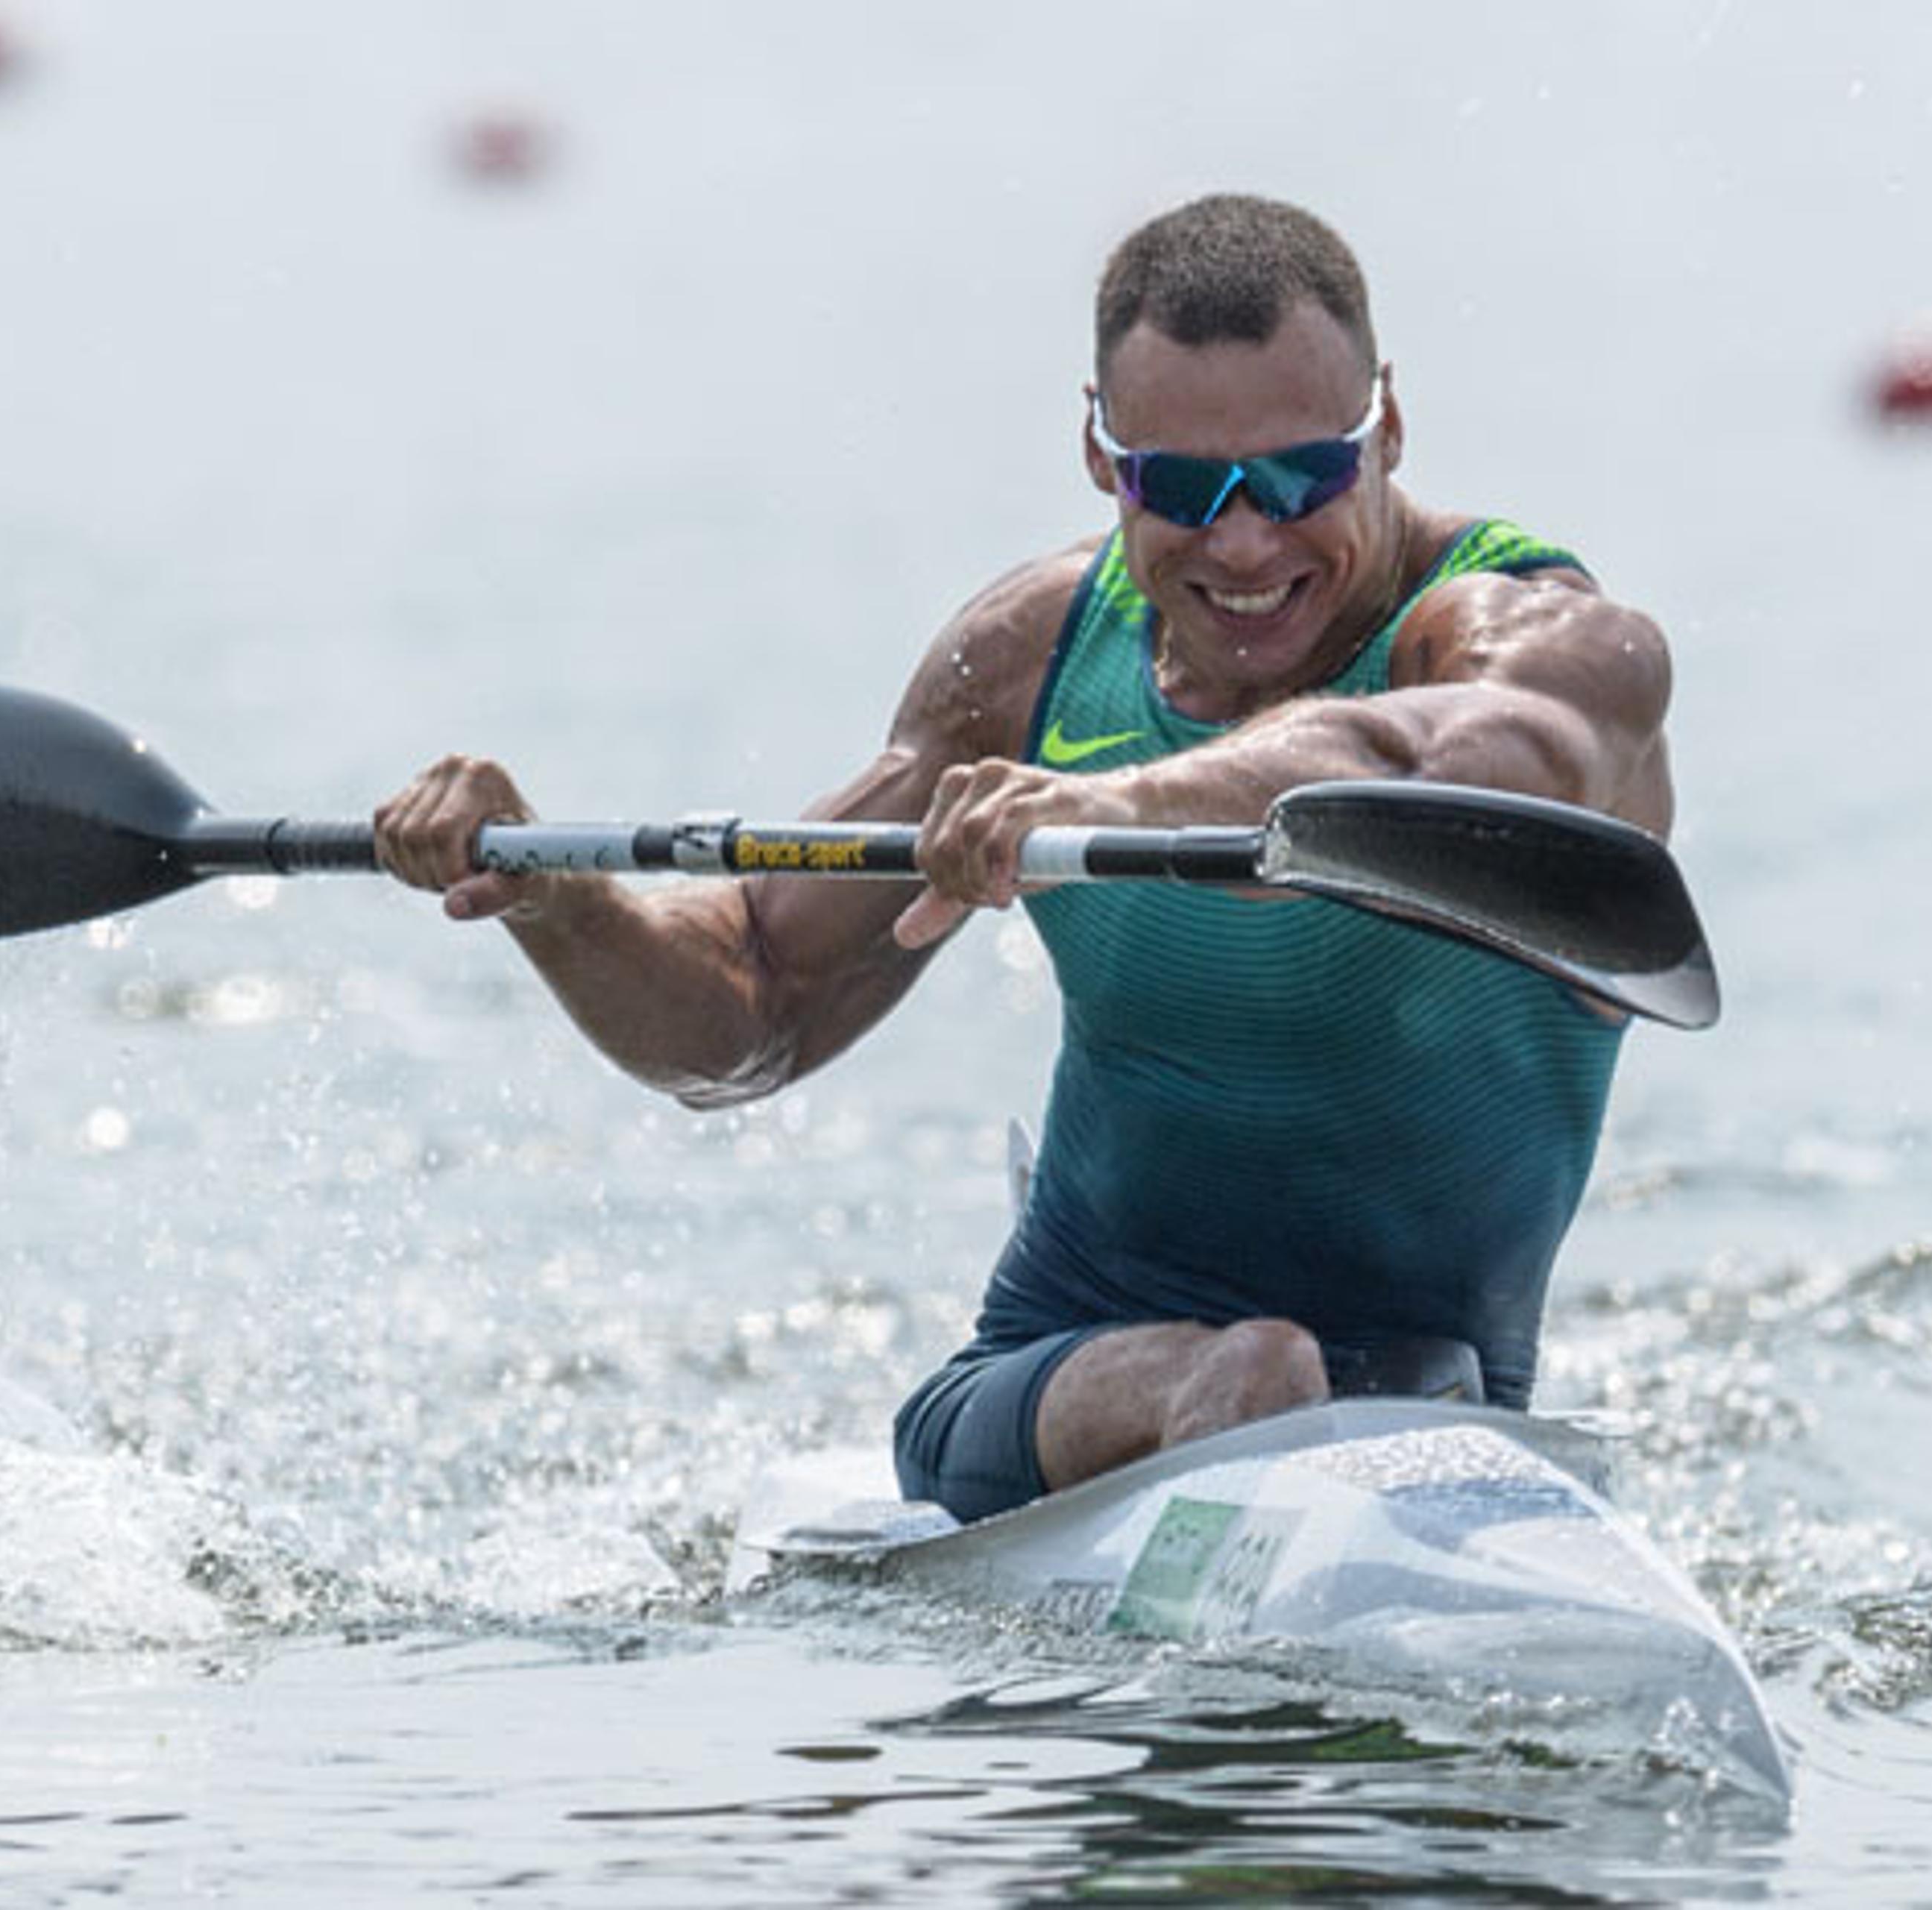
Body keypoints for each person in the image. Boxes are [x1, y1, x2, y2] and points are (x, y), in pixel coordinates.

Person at [374, 193, 1675, 1523]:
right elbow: (751, 1006)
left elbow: (1454, 763)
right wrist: (560, 903)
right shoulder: (1025, 659)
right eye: (1178, 486)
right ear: (1103, 460)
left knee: (1357, 1375)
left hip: (1440, 1393)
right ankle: (1234, 1407)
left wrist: (1121, 800)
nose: (1242, 540)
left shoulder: (1545, 641)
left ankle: (1295, 1422)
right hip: (1052, 1382)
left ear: (1386, 427)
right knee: (1262, 1371)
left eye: (1300, 477)